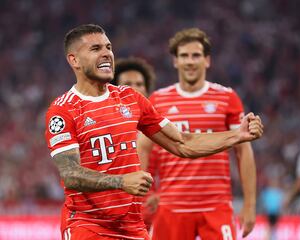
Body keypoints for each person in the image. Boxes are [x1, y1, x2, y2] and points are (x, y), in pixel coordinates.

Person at [44, 24, 264, 240]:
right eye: (95, 49)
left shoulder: (130, 98)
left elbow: (182, 143)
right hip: (88, 225)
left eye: (108, 47)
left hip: (131, 226)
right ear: (74, 60)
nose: (106, 54)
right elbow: (70, 174)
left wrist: (237, 135)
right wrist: (121, 182)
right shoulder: (63, 110)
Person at [137, 28, 258, 240]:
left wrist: (249, 205)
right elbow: (143, 149)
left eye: (196, 55)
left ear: (207, 60)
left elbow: (243, 151)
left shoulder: (227, 98)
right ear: (175, 61)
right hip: (170, 208)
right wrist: (143, 196)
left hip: (216, 207)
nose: (190, 61)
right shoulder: (158, 100)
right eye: (184, 56)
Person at [111, 56, 157, 230]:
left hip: (151, 214)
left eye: (139, 84)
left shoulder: (160, 129)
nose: (135, 89)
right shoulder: (103, 127)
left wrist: (163, 195)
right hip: (114, 213)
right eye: (128, 83)